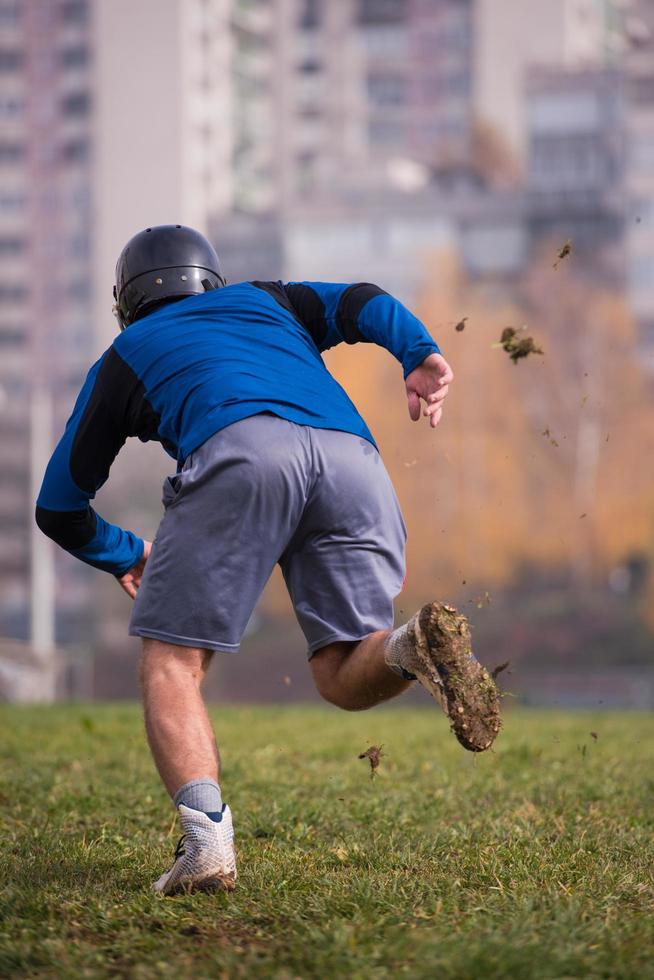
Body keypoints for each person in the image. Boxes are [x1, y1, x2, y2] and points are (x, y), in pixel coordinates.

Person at [36, 224, 501, 896]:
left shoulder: (126, 354)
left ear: (126, 302)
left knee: (173, 663)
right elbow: (362, 301)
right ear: (212, 280)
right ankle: (412, 644)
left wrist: (123, 553)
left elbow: (58, 507)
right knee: (344, 672)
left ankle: (206, 847)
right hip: (353, 459)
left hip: (242, 452)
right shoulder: (267, 301)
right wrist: (418, 353)